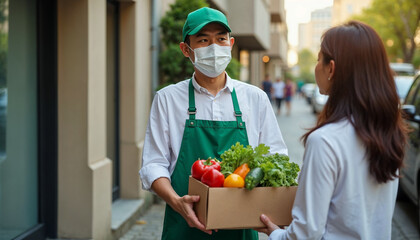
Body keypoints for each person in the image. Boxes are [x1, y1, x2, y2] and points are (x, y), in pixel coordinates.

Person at [139, 7, 288, 240]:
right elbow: (153, 164)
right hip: (183, 226)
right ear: (185, 49)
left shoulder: (255, 98)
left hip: (241, 227)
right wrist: (177, 202)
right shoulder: (167, 99)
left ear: (230, 44)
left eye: (220, 39)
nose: (214, 47)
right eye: (203, 40)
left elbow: (275, 155)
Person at [257, 21, 408, 239]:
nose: (317, 65)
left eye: (319, 59)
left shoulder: (325, 141)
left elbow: (306, 233)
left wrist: (275, 234)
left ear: (331, 68)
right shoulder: (391, 132)